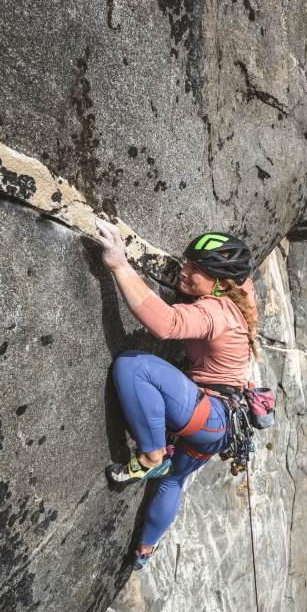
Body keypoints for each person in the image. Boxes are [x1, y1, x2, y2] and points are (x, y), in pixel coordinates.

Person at [89, 219, 258, 568]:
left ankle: (152, 456)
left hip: (209, 414)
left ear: (219, 283)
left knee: (134, 366)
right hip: (220, 425)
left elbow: (167, 324)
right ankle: (144, 552)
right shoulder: (237, 296)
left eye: (197, 269)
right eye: (188, 261)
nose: (185, 271)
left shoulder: (215, 311)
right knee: (173, 482)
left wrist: (119, 265)